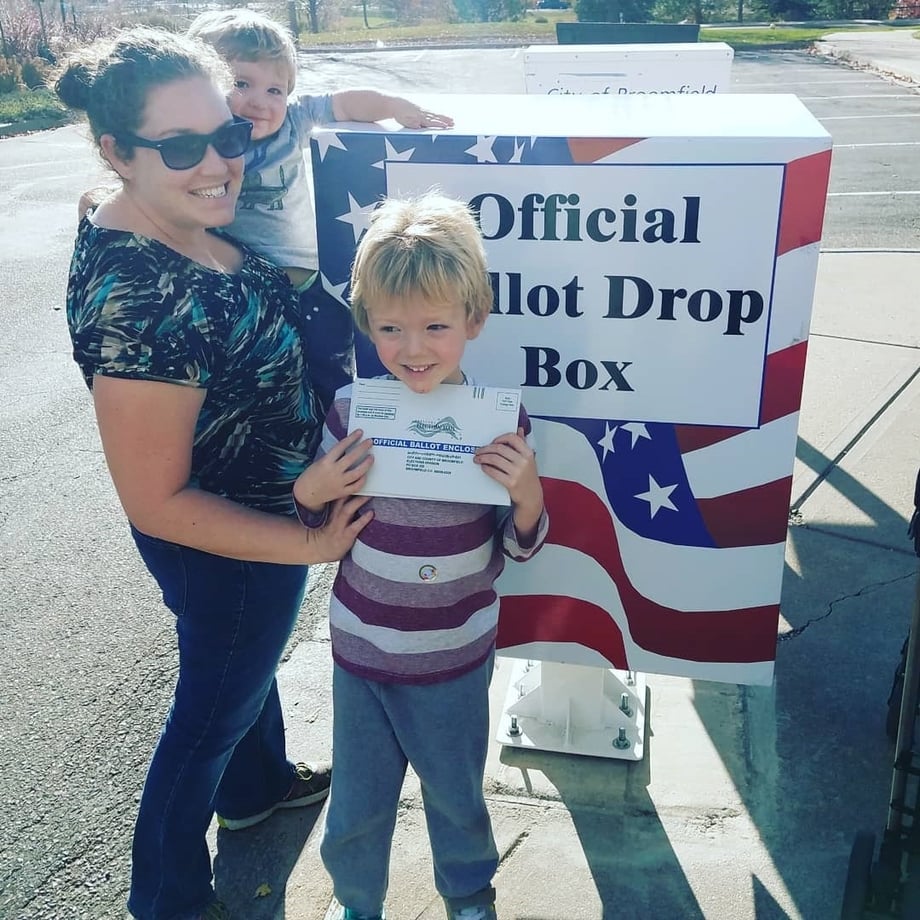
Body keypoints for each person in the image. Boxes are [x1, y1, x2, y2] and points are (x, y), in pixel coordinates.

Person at [54, 27, 373, 920]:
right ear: (115, 150)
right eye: (183, 148)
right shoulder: (142, 300)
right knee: (206, 716)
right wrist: (303, 539)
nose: (219, 164)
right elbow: (156, 500)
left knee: (245, 671)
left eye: (227, 135)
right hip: (230, 541)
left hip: (261, 512)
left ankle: (259, 787)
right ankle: (167, 899)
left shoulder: (178, 217)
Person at [292, 192, 550, 920]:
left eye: (436, 326)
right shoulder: (351, 412)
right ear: (368, 325)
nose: (413, 349)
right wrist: (310, 486)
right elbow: (313, 521)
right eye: (391, 328)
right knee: (357, 806)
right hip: (362, 654)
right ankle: (356, 903)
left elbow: (521, 543)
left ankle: (469, 901)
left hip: (453, 660)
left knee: (456, 797)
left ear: (474, 320)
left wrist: (527, 493)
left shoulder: (502, 423)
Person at [186, 8, 454, 415]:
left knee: (328, 366)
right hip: (240, 289)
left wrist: (395, 105)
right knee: (263, 381)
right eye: (241, 83)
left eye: (275, 90)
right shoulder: (196, 142)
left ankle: (339, 432)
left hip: (305, 282)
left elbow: (344, 103)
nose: (260, 102)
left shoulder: (292, 121)